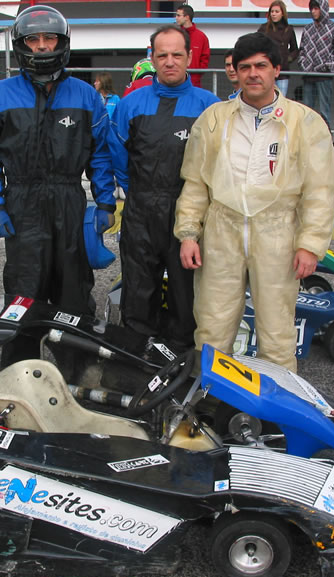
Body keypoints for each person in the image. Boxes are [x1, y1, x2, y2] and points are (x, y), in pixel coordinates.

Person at [175, 32, 334, 373]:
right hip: (221, 232)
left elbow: (320, 191)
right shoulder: (214, 119)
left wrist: (310, 245)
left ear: (277, 69)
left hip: (278, 234)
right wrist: (189, 233)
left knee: (276, 331)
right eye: (244, 67)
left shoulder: (305, 123)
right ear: (234, 72)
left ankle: (276, 410)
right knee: (212, 326)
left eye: (261, 65)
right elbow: (195, 183)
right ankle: (209, 403)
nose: (253, 74)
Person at [0, 5, 115, 363]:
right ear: (22, 46)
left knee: (74, 296)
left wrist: (106, 202)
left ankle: (77, 375)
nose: (43, 46)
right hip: (21, 206)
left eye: (50, 38)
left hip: (69, 201)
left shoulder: (84, 95)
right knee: (23, 295)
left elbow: (101, 154)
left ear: (62, 44)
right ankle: (17, 376)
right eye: (34, 40)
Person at [109, 25, 219, 351]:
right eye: (162, 55)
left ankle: (182, 362)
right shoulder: (131, 104)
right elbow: (118, 156)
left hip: (187, 212)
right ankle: (134, 360)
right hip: (140, 208)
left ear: (189, 57)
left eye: (177, 55)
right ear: (152, 58)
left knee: (186, 294)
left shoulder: (208, 107)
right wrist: (140, 194)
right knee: (139, 290)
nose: (170, 61)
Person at [297, 0, 334, 128]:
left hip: (324, 76)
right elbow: (301, 50)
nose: (313, 11)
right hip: (308, 75)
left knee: (324, 111)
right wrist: (304, 65)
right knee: (307, 110)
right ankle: (306, 138)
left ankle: (325, 139)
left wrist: (325, 65)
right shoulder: (307, 29)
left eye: (316, 8)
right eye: (311, 9)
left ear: (323, 9)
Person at [257, 0, 298, 98]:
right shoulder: (264, 28)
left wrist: (288, 59)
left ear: (282, 13)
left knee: (280, 101)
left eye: (276, 12)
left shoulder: (289, 29)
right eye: (272, 12)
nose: (274, 14)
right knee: (266, 100)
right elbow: (256, 47)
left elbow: (295, 50)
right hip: (266, 71)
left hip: (283, 72)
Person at [174, 4, 210, 88]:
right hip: (176, 82)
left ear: (187, 17)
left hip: (194, 83)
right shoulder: (175, 35)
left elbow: (205, 59)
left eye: (178, 15)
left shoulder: (201, 37)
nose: (176, 18)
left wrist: (197, 75)